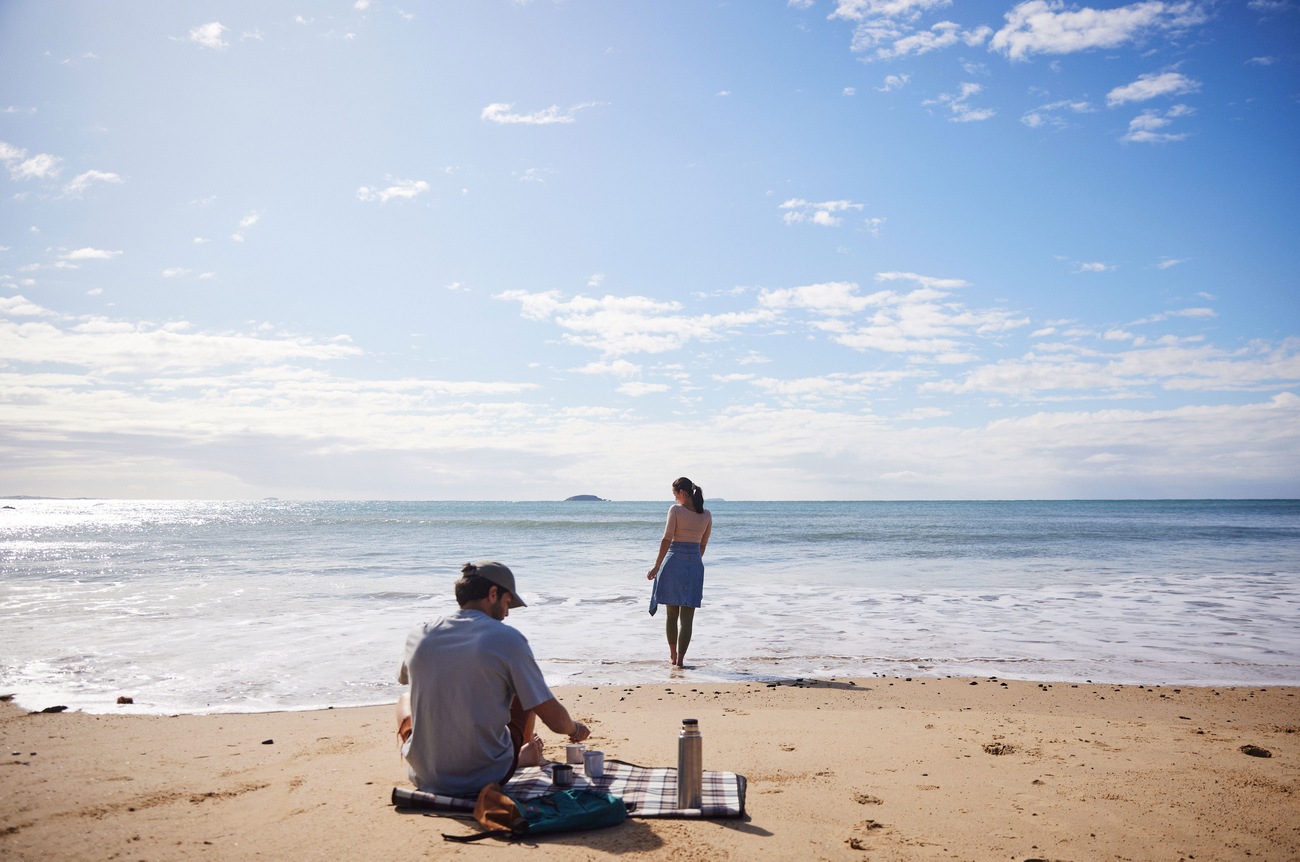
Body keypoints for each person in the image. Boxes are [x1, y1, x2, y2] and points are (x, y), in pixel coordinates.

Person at [395, 560, 590, 796]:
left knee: (405, 699)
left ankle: (427, 756)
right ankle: (522, 757)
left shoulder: (420, 634)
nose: (507, 613)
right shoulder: (506, 639)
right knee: (525, 690)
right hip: (485, 778)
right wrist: (575, 728)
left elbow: (408, 679)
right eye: (508, 603)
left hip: (426, 777)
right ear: (493, 593)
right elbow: (552, 717)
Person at [646, 477, 712, 668]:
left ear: (682, 493)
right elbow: (703, 545)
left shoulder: (675, 510)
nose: (675, 499)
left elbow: (667, 539)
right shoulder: (706, 515)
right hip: (694, 566)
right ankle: (681, 660)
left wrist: (657, 565)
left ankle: (673, 657)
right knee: (687, 619)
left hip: (673, 564)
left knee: (672, 616)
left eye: (675, 494)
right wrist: (692, 562)